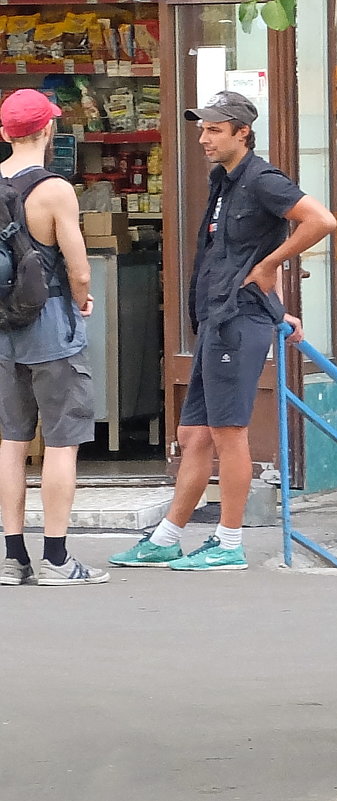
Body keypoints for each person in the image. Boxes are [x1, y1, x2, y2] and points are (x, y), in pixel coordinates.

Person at [110, 91, 336, 572]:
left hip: (237, 323)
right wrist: (277, 308)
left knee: (228, 433)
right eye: (202, 128)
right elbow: (231, 256)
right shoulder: (223, 180)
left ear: (242, 132)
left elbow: (321, 221)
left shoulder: (262, 179)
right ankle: (168, 537)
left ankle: (229, 542)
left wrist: (271, 266)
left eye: (215, 129)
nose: (204, 137)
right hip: (220, 318)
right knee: (193, 435)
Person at [0, 89, 108, 586]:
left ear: (5, 133)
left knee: (11, 441)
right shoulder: (54, 189)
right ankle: (58, 559)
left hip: (3, 328)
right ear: (47, 131)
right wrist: (82, 299)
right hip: (50, 326)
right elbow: (78, 267)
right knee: (62, 442)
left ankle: (12, 557)